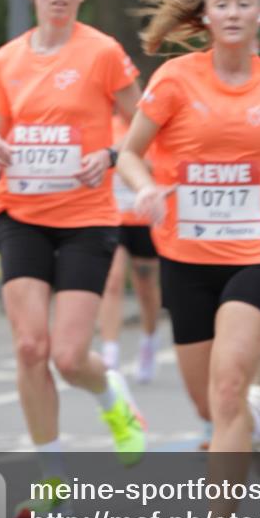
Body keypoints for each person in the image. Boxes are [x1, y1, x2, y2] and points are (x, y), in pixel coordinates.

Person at [117, 0, 260, 518]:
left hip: (257, 250)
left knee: (228, 386)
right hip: (185, 254)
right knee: (209, 403)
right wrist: (146, 188)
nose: (231, 12)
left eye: (243, 3)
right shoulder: (175, 79)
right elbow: (128, 153)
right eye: (220, 3)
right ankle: (255, 419)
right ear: (206, 17)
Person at [0, 0, 145, 518]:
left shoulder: (102, 52)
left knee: (71, 357)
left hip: (86, 218)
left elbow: (143, 123)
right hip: (20, 212)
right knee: (30, 347)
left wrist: (111, 151)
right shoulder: (4, 60)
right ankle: (52, 479)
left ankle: (112, 397)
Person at [99, 113, 161, 381]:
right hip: (114, 215)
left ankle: (149, 341)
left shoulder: (152, 128)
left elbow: (162, 166)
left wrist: (138, 168)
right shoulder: (106, 125)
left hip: (144, 216)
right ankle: (109, 353)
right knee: (112, 280)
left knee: (145, 286)